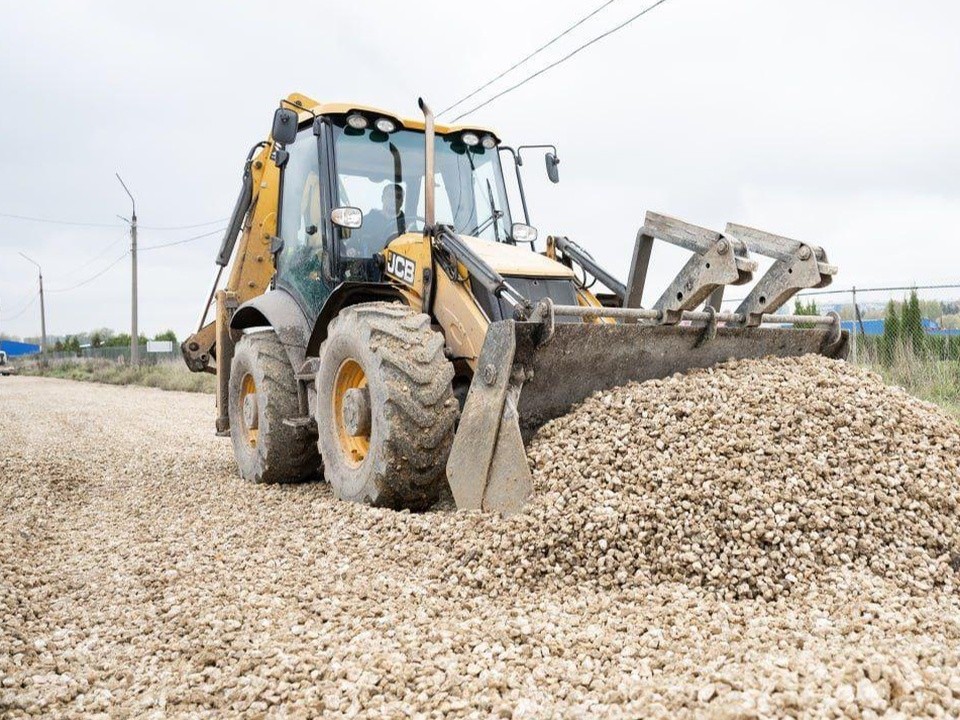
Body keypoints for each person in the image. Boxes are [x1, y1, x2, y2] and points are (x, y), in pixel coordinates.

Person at [361, 183, 406, 253]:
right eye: (390, 195)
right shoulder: (368, 220)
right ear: (382, 198)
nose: (394, 199)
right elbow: (354, 239)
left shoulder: (408, 225)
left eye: (398, 196)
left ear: (402, 201)